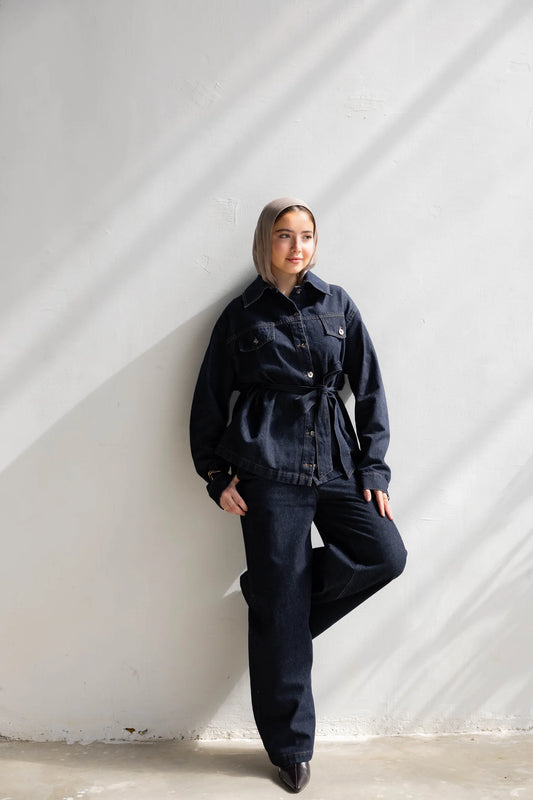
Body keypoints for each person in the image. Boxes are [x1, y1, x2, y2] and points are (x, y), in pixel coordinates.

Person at [190, 197, 407, 793]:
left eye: (306, 235)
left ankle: (272, 598)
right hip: (266, 468)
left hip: (336, 462)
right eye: (284, 235)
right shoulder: (241, 316)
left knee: (384, 555)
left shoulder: (338, 304)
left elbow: (370, 388)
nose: (297, 246)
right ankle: (290, 748)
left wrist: (374, 470)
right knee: (282, 607)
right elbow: (209, 398)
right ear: (265, 242)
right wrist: (215, 475)